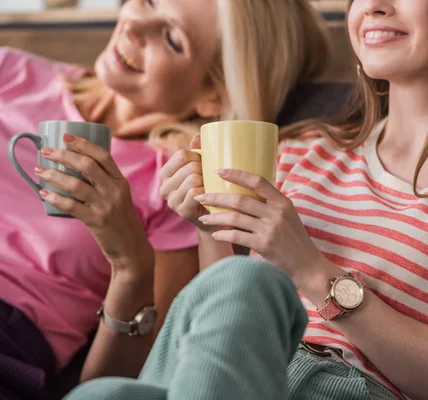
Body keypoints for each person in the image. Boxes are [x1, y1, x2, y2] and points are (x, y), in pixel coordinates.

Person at [0, 0, 328, 399]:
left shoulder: (177, 180)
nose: (135, 27)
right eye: (148, 2)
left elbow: (110, 386)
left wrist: (131, 261)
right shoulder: (4, 72)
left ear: (212, 97)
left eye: (172, 38)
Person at [67, 0, 428, 399]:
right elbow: (228, 306)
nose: (374, 6)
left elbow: (251, 285)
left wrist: (312, 270)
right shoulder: (301, 149)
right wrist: (209, 230)